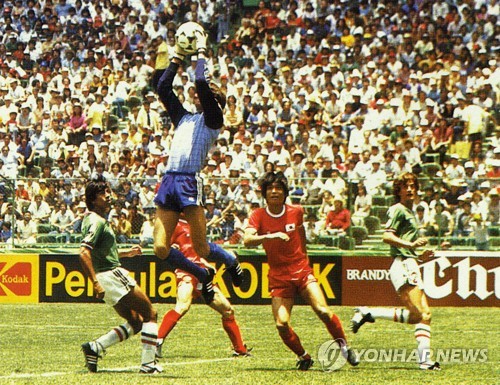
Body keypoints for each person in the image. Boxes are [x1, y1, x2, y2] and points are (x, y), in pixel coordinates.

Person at [153, 27, 243, 304]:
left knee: (202, 247)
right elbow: (162, 88)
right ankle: (202, 275)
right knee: (159, 248)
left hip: (189, 180)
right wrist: (177, 57)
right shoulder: (185, 118)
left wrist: (201, 52)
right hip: (170, 179)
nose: (196, 97)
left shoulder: (214, 120)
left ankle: (230, 260)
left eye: (202, 97)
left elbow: (202, 85)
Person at [243, 171, 358, 370]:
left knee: (323, 311)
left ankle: (345, 347)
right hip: (278, 276)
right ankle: (304, 356)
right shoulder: (258, 215)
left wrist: (304, 258)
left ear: (285, 192)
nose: (274, 192)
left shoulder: (296, 211)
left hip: (301, 270)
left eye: (279, 188)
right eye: (270, 188)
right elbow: (247, 240)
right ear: (264, 192)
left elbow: (301, 233)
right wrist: (271, 237)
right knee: (281, 324)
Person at [350, 172, 441, 371]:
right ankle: (368, 312)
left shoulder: (410, 211)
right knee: (418, 314)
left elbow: (402, 245)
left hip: (409, 262)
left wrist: (418, 255)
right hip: (403, 264)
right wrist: (411, 244)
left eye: (412, 186)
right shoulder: (398, 209)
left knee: (425, 314)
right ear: (398, 190)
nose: (410, 189)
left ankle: (425, 361)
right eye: (405, 186)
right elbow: (387, 236)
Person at [79, 176, 162, 374]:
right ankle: (148, 365)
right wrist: (95, 283)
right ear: (92, 199)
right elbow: (83, 252)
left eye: (108, 192)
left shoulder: (94, 220)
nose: (108, 196)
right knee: (150, 313)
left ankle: (95, 347)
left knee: (135, 321)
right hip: (111, 275)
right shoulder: (97, 222)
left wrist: (126, 253)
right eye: (103, 194)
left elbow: (102, 252)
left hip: (105, 276)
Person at [157, 216, 251, 358]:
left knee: (227, 310)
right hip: (187, 271)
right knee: (182, 306)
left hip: (203, 273)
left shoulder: (196, 222)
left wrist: (204, 262)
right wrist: (173, 247)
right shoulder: (173, 222)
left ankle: (239, 349)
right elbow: (164, 248)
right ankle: (156, 342)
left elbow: (200, 249)